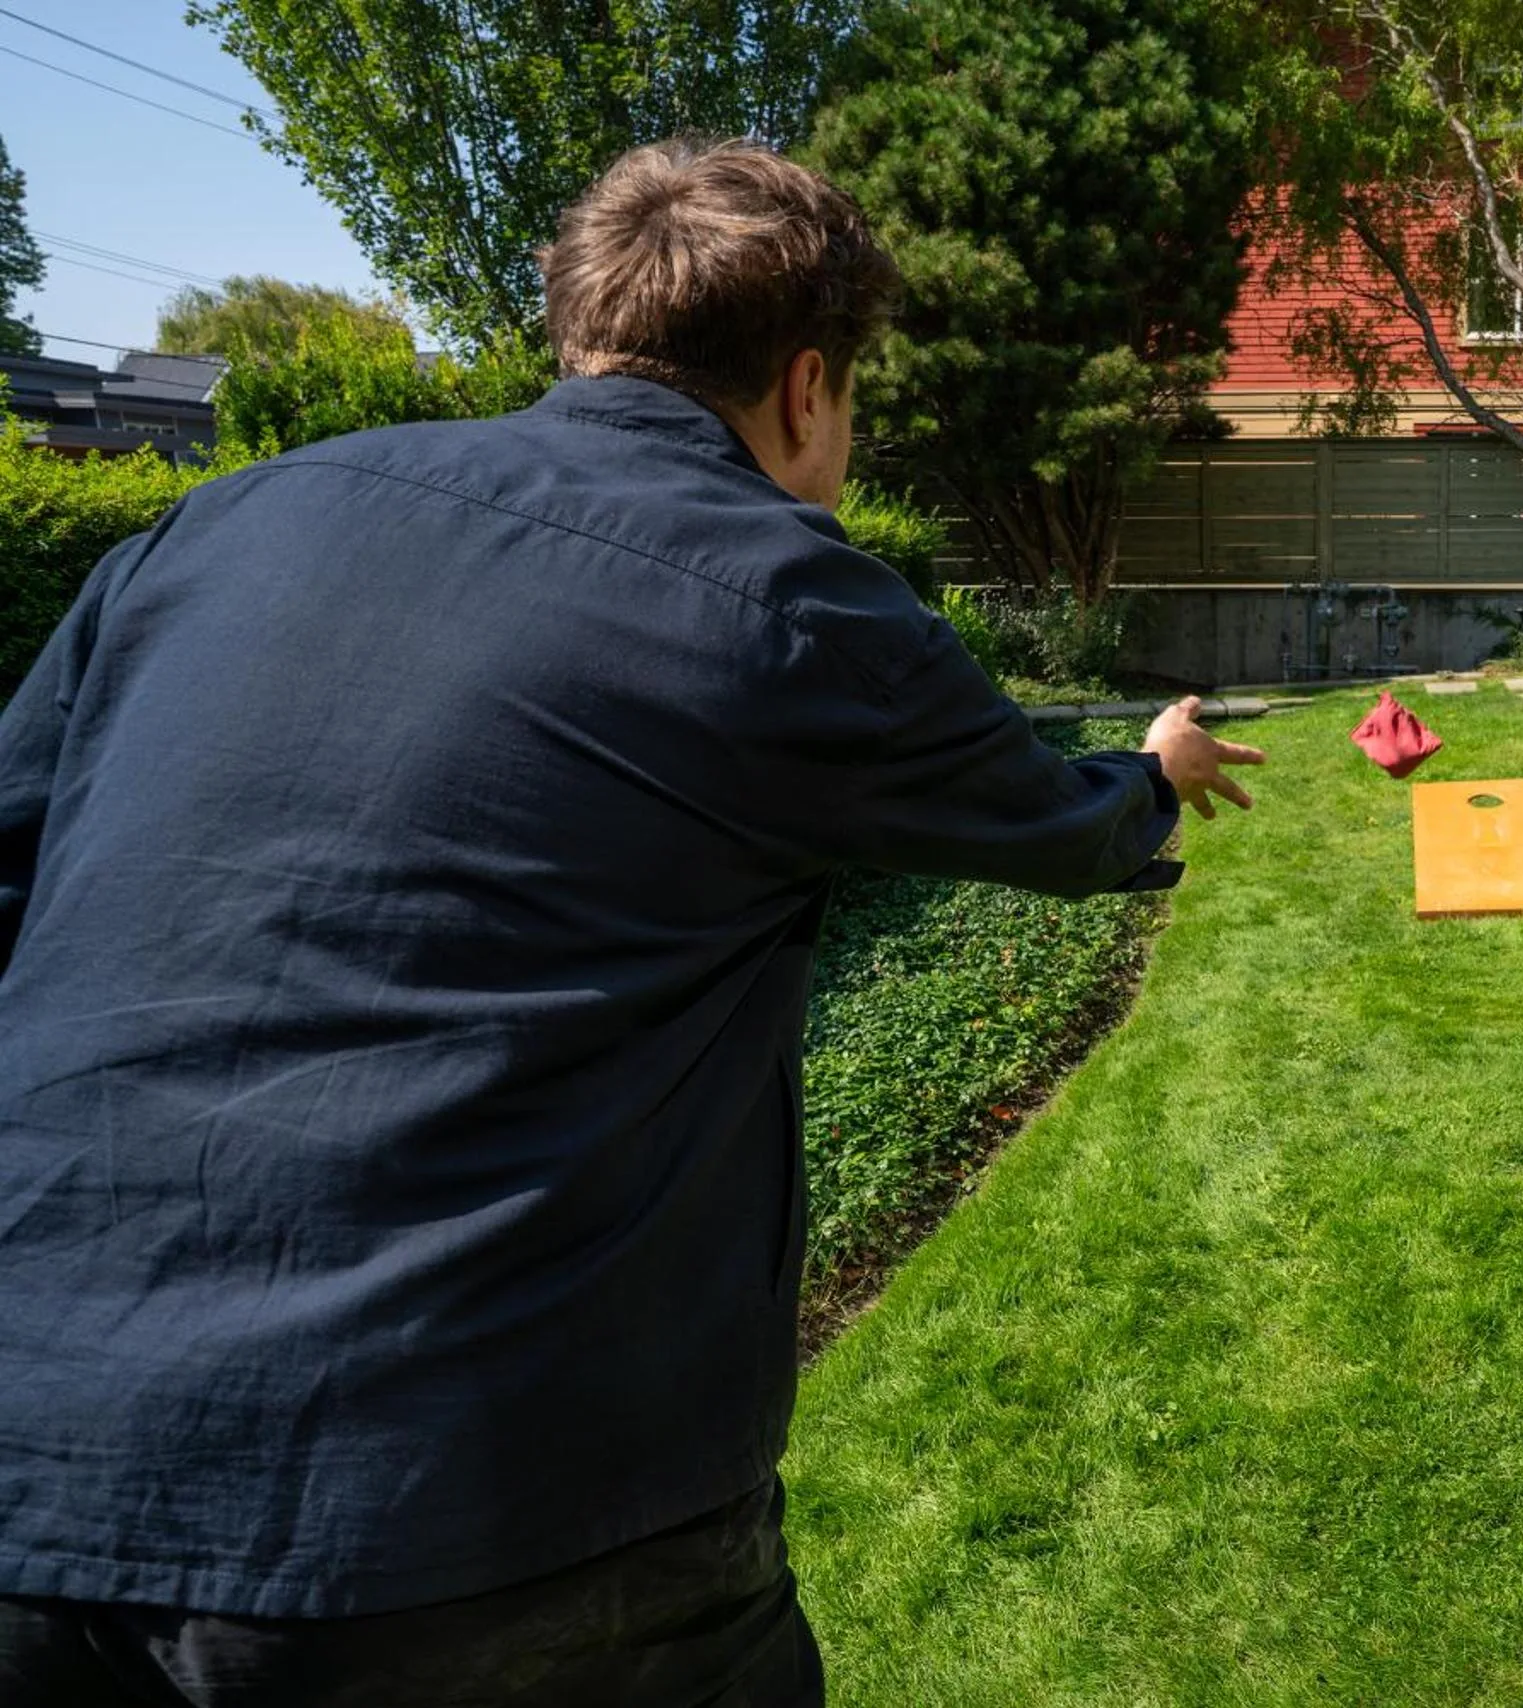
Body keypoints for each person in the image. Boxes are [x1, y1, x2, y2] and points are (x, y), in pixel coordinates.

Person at [0, 137, 1263, 1707]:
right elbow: (1054, 825)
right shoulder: (792, 601)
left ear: (580, 331)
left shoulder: (213, 527)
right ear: (807, 389)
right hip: (468, 1519)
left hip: (32, 1471)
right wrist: (1155, 772)